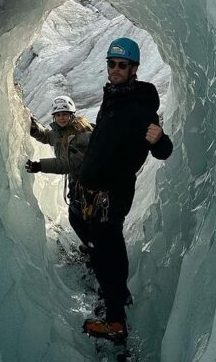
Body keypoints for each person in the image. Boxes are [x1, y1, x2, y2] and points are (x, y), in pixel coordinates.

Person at [72, 37, 173, 341]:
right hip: (95, 189)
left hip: (112, 192)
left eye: (122, 65)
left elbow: (163, 150)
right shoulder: (113, 96)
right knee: (98, 239)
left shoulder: (140, 107)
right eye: (112, 64)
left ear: (133, 69)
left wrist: (159, 139)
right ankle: (116, 293)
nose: (115, 69)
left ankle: (115, 319)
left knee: (107, 248)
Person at [25, 95, 94, 244]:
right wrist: (35, 129)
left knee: (79, 218)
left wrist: (39, 165)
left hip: (88, 184)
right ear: (55, 117)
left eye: (65, 114)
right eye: (58, 115)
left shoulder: (80, 135)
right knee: (80, 217)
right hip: (78, 183)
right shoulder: (60, 132)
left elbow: (66, 164)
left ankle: (93, 249)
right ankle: (92, 246)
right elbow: (48, 137)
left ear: (71, 115)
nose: (62, 118)